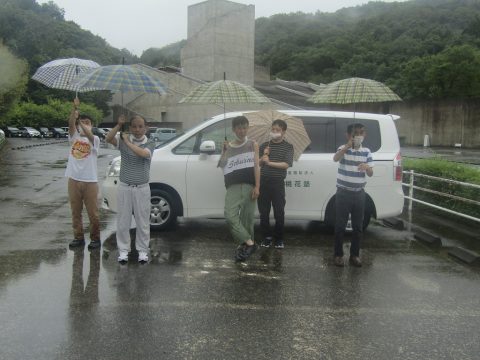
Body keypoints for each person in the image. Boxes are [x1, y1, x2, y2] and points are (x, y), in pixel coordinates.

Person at [105, 114, 155, 264]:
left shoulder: (150, 143)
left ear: (146, 128)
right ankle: (123, 251)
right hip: (125, 187)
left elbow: (142, 153)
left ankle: (142, 251)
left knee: (143, 221)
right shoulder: (123, 141)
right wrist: (118, 125)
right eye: (134, 126)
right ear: (130, 127)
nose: (138, 129)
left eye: (141, 126)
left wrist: (126, 140)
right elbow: (108, 138)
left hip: (142, 188)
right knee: (123, 221)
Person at [218, 116, 260, 262]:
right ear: (234, 129)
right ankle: (250, 243)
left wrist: (257, 186)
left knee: (247, 219)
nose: (242, 131)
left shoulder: (253, 144)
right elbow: (222, 165)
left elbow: (256, 166)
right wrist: (223, 151)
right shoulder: (228, 145)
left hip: (249, 185)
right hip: (233, 186)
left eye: (244, 127)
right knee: (230, 216)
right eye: (239, 128)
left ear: (247, 128)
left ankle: (243, 248)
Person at [333, 123, 374, 267]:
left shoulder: (367, 152)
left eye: (362, 133)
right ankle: (338, 255)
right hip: (343, 192)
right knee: (339, 226)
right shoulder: (342, 149)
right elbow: (335, 158)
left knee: (358, 227)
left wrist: (368, 168)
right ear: (349, 135)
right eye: (356, 133)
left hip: (359, 194)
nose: (359, 136)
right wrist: (346, 147)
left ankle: (355, 255)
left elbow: (370, 173)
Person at [65, 97, 101, 251]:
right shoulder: (74, 138)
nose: (85, 125)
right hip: (73, 179)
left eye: (88, 123)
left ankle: (95, 238)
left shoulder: (95, 140)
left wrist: (81, 122)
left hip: (90, 181)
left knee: (93, 213)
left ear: (92, 126)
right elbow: (70, 124)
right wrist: (74, 109)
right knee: (75, 211)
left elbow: (88, 133)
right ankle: (78, 237)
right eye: (83, 122)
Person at [258, 119, 294, 249]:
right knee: (264, 212)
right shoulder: (264, 146)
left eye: (277, 130)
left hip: (278, 183)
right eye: (273, 129)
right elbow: (258, 164)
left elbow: (286, 165)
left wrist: (269, 163)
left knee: (279, 212)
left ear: (283, 132)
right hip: (263, 182)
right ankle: (266, 237)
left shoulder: (288, 146)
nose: (274, 132)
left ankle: (279, 239)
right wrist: (263, 157)